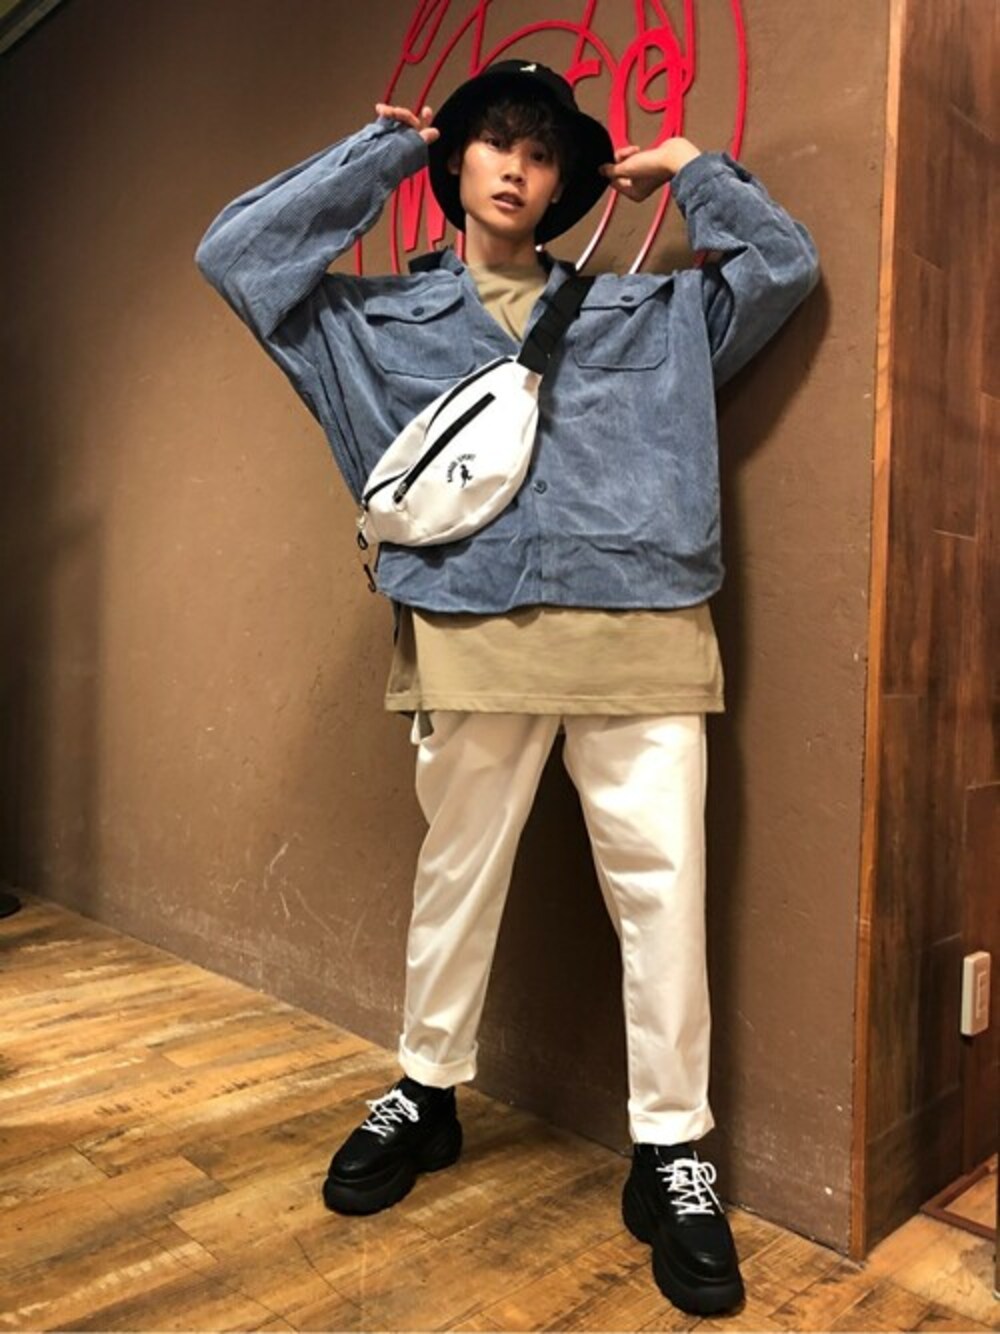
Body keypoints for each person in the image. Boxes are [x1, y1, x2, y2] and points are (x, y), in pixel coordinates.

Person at [195, 57, 819, 1317]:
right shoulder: (373, 325)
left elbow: (782, 267)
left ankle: (670, 1147)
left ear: (566, 180)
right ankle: (424, 1091)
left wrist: (689, 170)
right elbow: (239, 260)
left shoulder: (649, 315)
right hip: (472, 636)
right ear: (457, 162)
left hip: (642, 635)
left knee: (663, 897)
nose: (518, 167)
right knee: (456, 877)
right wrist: (378, 154)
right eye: (495, 142)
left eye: (543, 151)